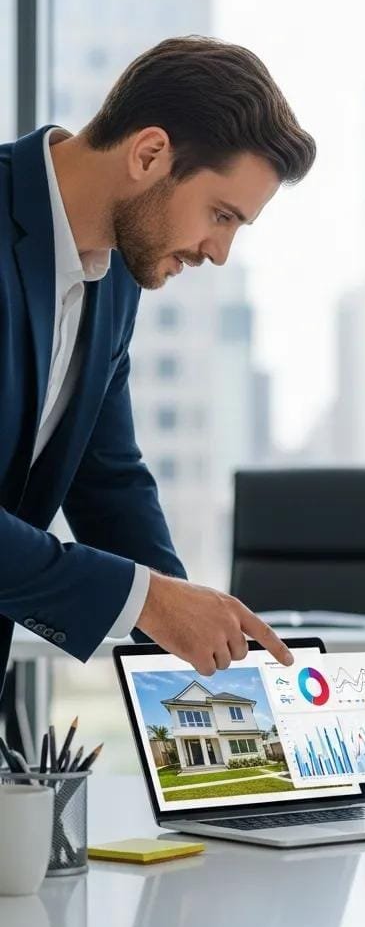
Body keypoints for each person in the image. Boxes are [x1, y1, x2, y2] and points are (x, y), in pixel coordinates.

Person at [0, 36, 317, 695]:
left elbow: (107, 478)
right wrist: (147, 601)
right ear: (149, 154)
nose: (219, 251)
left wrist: (204, 645)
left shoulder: (114, 278)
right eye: (221, 215)